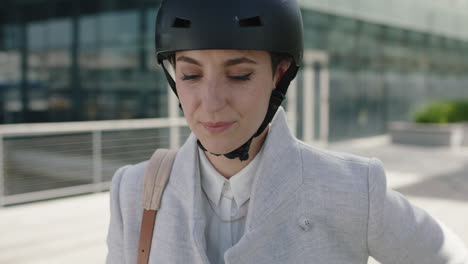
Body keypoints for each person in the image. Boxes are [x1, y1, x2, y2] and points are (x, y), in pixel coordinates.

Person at [106, 0, 468, 263]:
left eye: (239, 75)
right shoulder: (133, 191)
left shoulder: (353, 188)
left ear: (280, 74)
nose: (211, 102)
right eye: (191, 75)